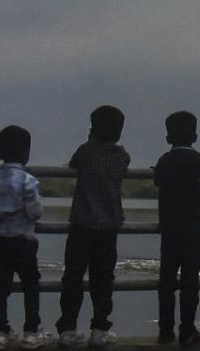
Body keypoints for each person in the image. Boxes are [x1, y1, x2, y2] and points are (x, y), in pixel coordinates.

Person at [56, 105, 131, 348]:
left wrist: (91, 141)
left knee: (73, 278)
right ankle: (99, 328)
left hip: (81, 225)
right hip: (108, 229)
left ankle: (67, 329)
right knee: (103, 279)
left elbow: (74, 163)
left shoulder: (85, 152)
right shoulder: (122, 156)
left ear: (93, 129)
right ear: (119, 131)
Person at [0, 125, 45, 350]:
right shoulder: (28, 181)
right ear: (27, 153)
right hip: (24, 242)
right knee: (31, 285)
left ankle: (0, 330)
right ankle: (31, 331)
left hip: (0, 241)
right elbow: (35, 212)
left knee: (0, 285)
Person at [154, 111, 200, 347]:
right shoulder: (198, 160)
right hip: (193, 226)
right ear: (195, 136)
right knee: (190, 281)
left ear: (168, 138)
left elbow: (158, 181)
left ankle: (165, 330)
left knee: (166, 280)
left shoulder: (164, 161)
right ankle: (187, 330)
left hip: (169, 226)